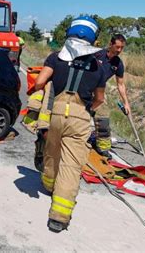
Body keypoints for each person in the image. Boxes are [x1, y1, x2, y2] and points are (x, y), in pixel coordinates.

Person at [35, 16, 106, 232]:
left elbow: (39, 82)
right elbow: (100, 99)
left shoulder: (56, 58)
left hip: (55, 114)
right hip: (80, 116)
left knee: (52, 151)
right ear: (93, 39)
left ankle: (48, 185)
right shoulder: (98, 67)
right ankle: (59, 217)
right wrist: (87, 110)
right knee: (71, 165)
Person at [93, 34, 129, 159]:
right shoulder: (97, 54)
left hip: (99, 91)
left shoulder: (118, 63)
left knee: (103, 118)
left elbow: (121, 84)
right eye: (117, 47)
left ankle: (102, 148)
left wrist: (126, 103)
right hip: (84, 88)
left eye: (122, 48)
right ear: (111, 44)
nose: (119, 50)